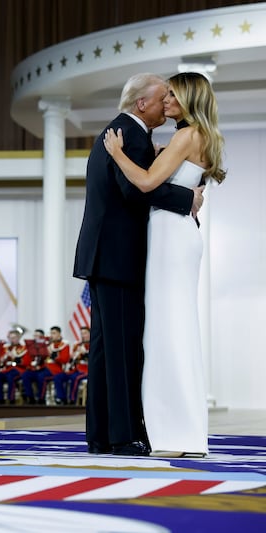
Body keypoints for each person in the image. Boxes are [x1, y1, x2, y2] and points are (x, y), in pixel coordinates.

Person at [73, 73, 204, 457]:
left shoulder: (127, 133)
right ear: (141, 104)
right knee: (122, 350)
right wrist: (187, 198)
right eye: (162, 97)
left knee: (104, 351)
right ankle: (124, 436)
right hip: (117, 259)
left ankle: (101, 435)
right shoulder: (125, 135)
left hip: (107, 257)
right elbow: (135, 188)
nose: (166, 103)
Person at [103, 72, 225, 457]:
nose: (167, 100)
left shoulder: (185, 136)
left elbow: (145, 183)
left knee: (166, 332)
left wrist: (118, 153)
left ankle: (174, 432)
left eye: (173, 94)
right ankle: (180, 430)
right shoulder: (197, 137)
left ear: (189, 98)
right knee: (174, 329)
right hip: (179, 234)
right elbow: (175, 179)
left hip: (172, 239)